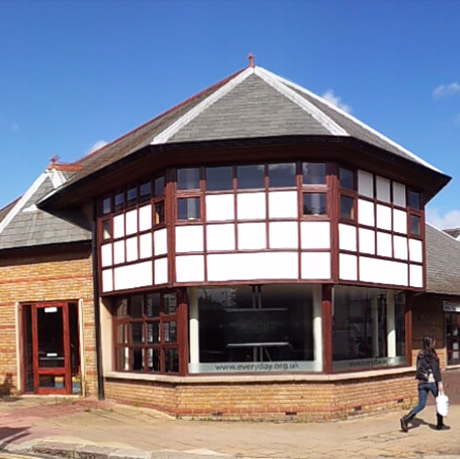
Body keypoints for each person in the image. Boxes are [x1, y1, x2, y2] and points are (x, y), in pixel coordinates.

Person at [400, 335, 447, 432]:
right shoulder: (432, 355)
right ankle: (439, 423)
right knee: (439, 401)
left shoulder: (420, 355)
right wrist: (439, 383)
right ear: (431, 343)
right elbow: (435, 370)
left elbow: (418, 368)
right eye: (433, 342)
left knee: (421, 404)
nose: (435, 343)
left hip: (421, 382)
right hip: (432, 382)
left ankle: (407, 419)